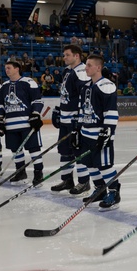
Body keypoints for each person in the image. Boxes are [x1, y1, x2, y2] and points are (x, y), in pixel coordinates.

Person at [79, 54, 121, 209]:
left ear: (98, 67)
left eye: (89, 65)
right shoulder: (86, 87)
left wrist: (107, 132)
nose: (86, 68)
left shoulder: (107, 86)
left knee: (105, 165)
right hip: (86, 134)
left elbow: (111, 112)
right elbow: (82, 110)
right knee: (90, 164)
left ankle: (114, 192)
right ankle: (100, 190)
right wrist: (78, 130)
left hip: (100, 135)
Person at [51, 45, 92, 195]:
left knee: (78, 151)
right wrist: (60, 110)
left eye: (67, 55)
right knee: (64, 150)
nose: (64, 58)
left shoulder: (81, 72)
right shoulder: (67, 71)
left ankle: (84, 182)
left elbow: (85, 96)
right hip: (65, 118)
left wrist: (80, 117)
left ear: (76, 56)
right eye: (64, 55)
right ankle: (67, 180)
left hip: (75, 118)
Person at [0, 60, 45, 184]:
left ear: (17, 69)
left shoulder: (28, 82)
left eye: (9, 68)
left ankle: (38, 173)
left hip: (27, 124)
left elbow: (37, 101)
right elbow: (0, 106)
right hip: (10, 126)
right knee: (15, 150)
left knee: (34, 149)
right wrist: (0, 121)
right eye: (6, 68)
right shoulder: (3, 86)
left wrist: (35, 114)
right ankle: (20, 172)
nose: (7, 70)